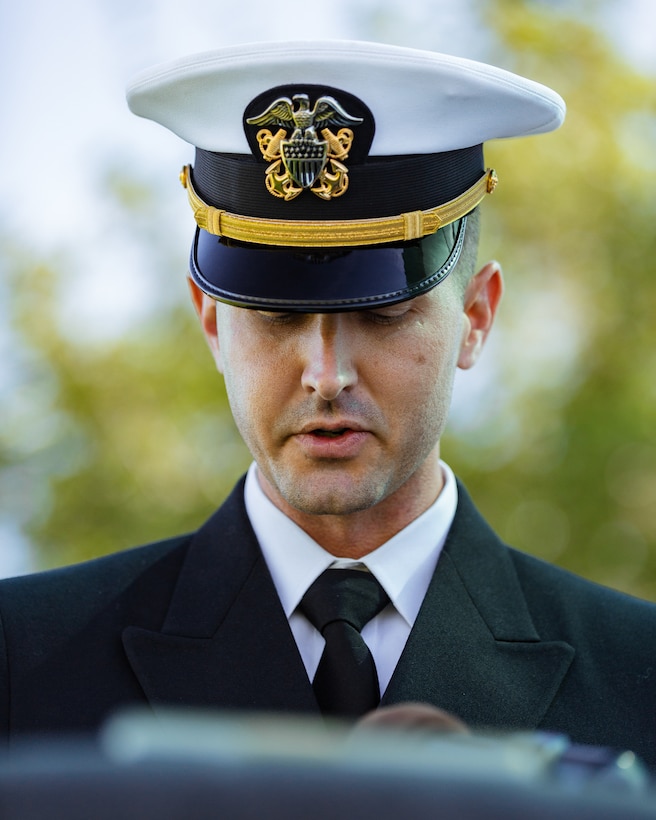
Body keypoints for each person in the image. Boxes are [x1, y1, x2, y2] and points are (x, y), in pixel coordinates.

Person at [0, 40, 654, 767]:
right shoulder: (20, 662)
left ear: (476, 316)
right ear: (211, 321)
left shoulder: (639, 675)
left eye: (384, 314)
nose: (325, 374)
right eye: (275, 316)